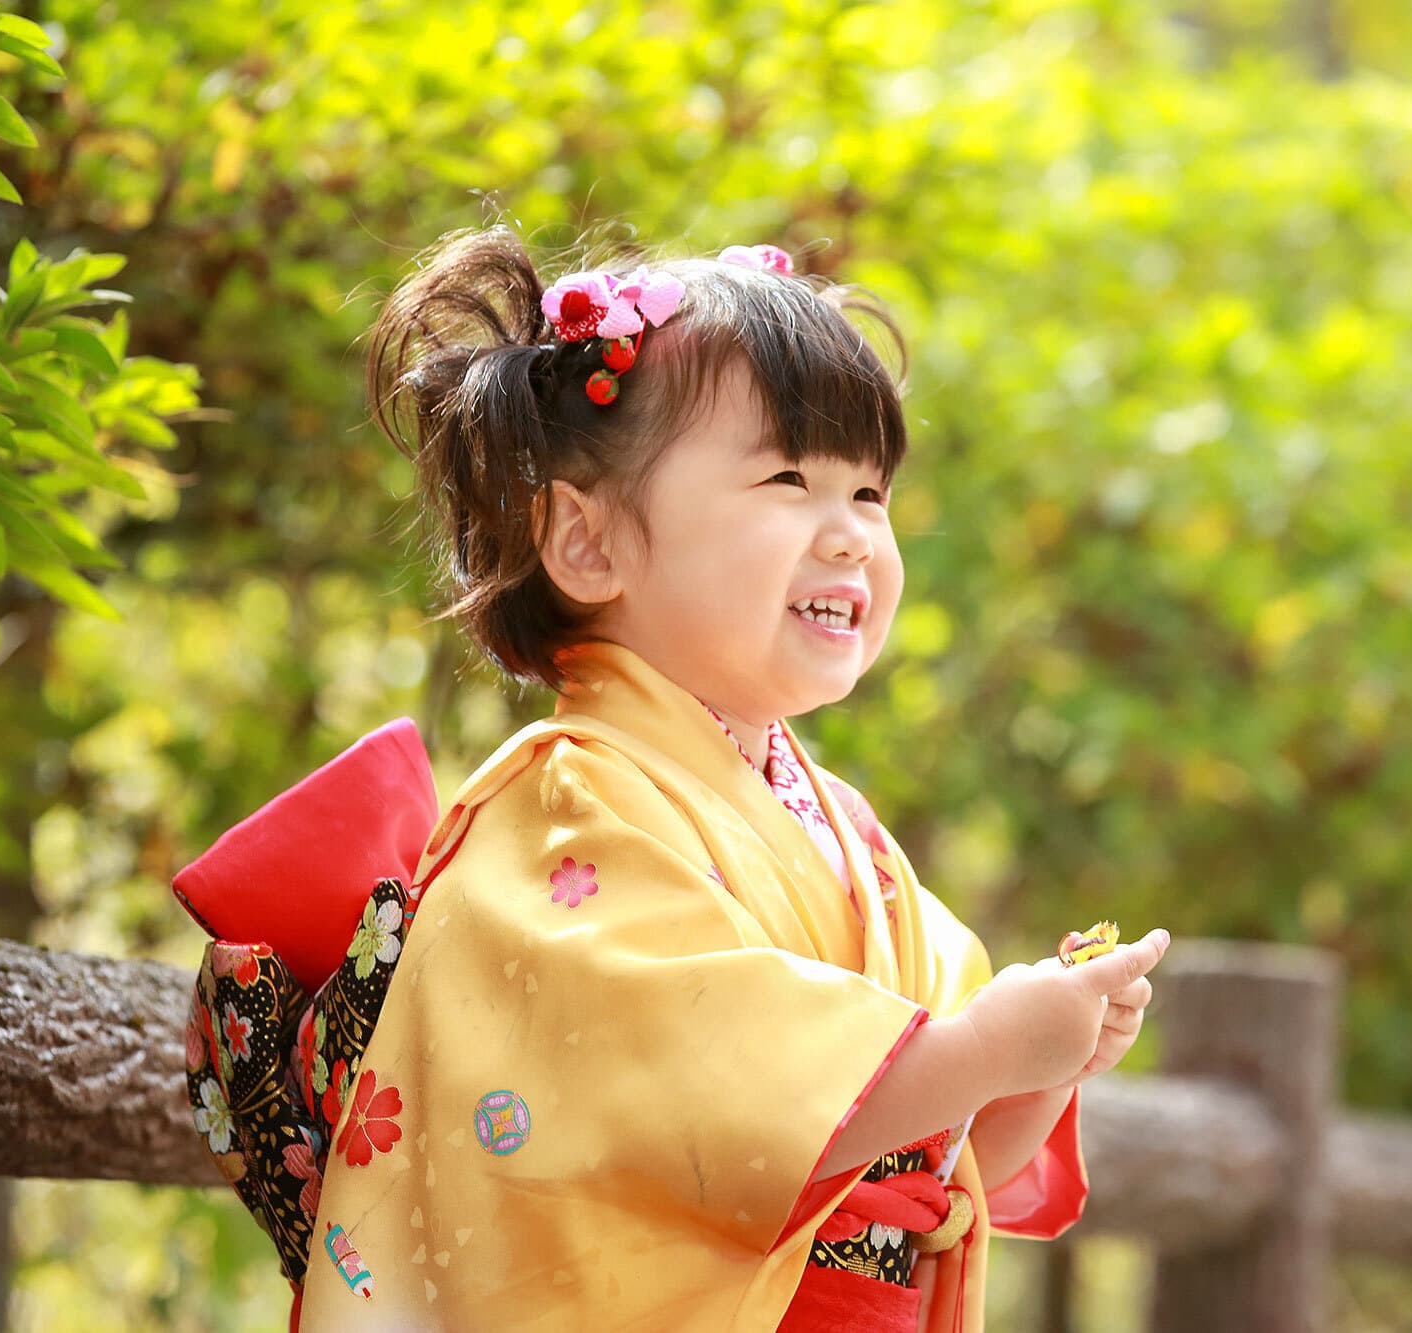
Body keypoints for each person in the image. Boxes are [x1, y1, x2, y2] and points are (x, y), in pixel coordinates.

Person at [195, 223, 1169, 1332]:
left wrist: (1038, 1061)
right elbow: (703, 1106)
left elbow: (946, 1149)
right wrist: (983, 1047)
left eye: (869, 493)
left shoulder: (846, 831)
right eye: (789, 477)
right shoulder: (569, 810)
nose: (851, 536)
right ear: (588, 543)